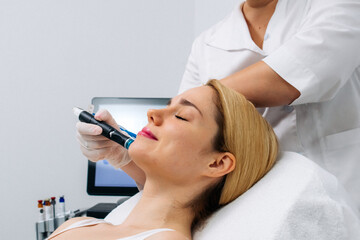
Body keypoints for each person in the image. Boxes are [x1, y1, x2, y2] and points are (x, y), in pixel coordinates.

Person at [77, 0, 360, 209]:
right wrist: (124, 155)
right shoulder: (207, 45)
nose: (154, 114)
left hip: (345, 196)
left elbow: (299, 74)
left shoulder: (336, 6)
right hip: (251, 208)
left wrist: (193, 106)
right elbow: (182, 162)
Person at [52, 80, 278, 239]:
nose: (152, 112)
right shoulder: (77, 225)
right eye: (168, 106)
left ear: (217, 163)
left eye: (181, 116)